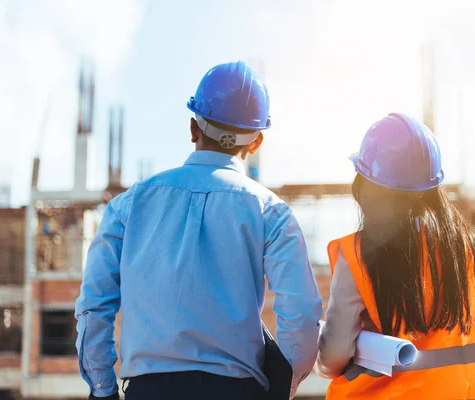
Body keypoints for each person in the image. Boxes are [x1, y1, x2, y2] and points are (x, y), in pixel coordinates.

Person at [75, 61, 323, 400]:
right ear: (256, 143)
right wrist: (285, 384)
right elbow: (302, 316)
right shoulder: (272, 212)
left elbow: (94, 305)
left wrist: (102, 388)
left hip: (148, 391)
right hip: (238, 391)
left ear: (193, 128)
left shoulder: (128, 205)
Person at [315, 113, 475, 399]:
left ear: (365, 186)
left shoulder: (360, 254)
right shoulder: (467, 252)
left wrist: (322, 360)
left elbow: (333, 356)